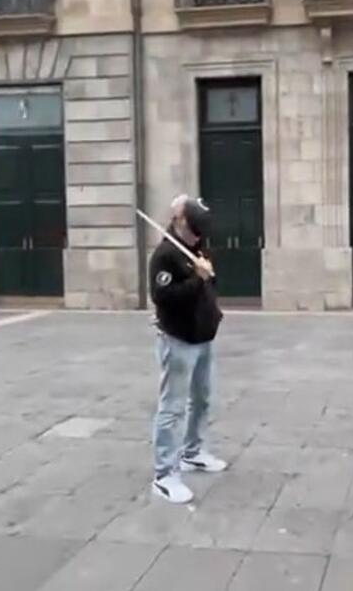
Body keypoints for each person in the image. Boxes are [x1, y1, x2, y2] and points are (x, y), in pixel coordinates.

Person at [148, 194, 228, 504]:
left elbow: (209, 285)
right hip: (178, 340)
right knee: (172, 409)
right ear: (180, 222)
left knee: (203, 400)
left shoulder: (195, 245)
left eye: (201, 231)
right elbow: (164, 297)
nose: (199, 235)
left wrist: (207, 279)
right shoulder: (165, 255)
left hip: (203, 337)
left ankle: (193, 453)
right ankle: (164, 475)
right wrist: (198, 278)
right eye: (195, 229)